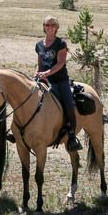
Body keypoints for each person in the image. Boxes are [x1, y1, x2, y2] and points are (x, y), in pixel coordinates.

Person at [34, 15, 82, 152]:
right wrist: (37, 73)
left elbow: (61, 63)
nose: (50, 28)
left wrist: (46, 73)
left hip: (60, 81)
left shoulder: (61, 44)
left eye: (52, 25)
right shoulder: (39, 45)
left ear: (56, 28)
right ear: (44, 27)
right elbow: (39, 64)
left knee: (68, 103)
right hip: (43, 79)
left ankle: (71, 135)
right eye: (47, 25)